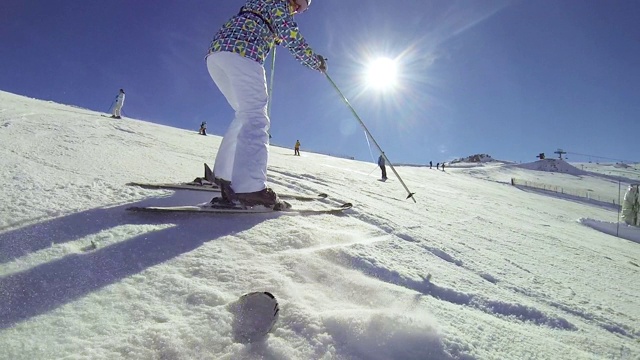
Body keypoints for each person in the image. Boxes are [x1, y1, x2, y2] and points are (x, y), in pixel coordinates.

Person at [205, 0, 326, 209]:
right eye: (300, 3)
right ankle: (250, 188)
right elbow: (291, 35)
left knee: (244, 115)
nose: (299, 9)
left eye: (303, 8)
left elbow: (262, 19)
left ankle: (222, 176)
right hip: (244, 54)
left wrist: (271, 34)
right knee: (256, 117)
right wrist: (315, 61)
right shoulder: (279, 3)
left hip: (218, 54)